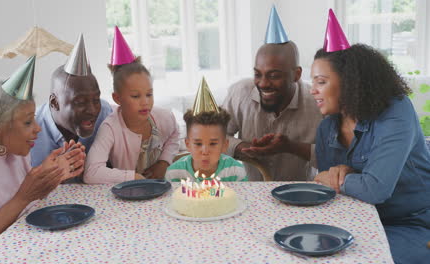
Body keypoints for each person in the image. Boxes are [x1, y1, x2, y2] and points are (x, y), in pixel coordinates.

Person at [311, 43, 430, 263]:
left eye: (321, 82)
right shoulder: (327, 129)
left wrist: (345, 176)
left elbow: (376, 189)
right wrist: (347, 175)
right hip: (360, 224)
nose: (313, 90)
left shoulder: (396, 112)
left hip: (413, 224)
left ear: (349, 82)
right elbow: (329, 190)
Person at [0, 57, 85, 262]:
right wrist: (25, 196)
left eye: (34, 118)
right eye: (28, 122)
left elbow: (26, 211)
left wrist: (51, 177)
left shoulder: (16, 153)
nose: (37, 128)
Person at [223, 41, 322, 181]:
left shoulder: (318, 103)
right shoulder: (240, 93)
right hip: (253, 193)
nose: (263, 83)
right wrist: (244, 147)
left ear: (296, 74)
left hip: (302, 194)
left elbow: (334, 158)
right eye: (257, 74)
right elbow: (215, 136)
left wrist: (291, 147)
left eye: (274, 76)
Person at [83, 58, 179, 183]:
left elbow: (174, 133)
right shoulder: (110, 128)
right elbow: (91, 172)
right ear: (117, 98)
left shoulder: (164, 117)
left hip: (161, 189)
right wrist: (133, 177)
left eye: (149, 94)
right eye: (135, 96)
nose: (145, 102)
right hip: (128, 194)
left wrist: (164, 161)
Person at [31, 35, 112, 182]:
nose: (93, 110)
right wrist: (51, 174)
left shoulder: (105, 114)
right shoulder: (31, 128)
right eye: (80, 102)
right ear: (54, 103)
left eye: (96, 100)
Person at [166, 78, 247, 182]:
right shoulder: (174, 174)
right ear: (188, 144)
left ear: (225, 145)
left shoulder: (236, 171)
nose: (205, 152)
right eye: (198, 144)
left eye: (213, 144)